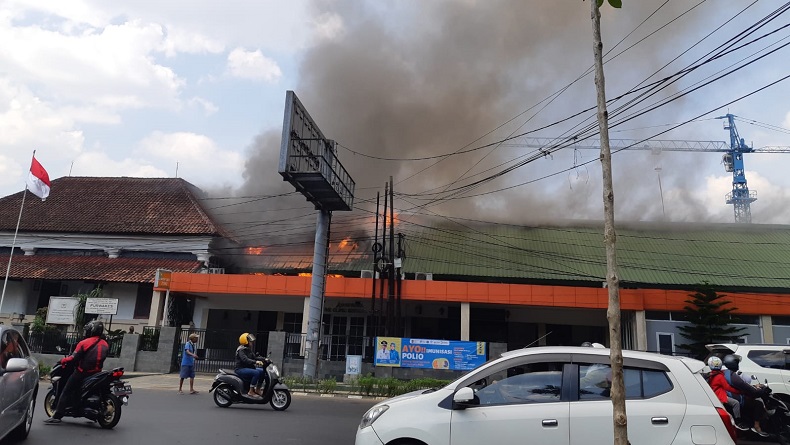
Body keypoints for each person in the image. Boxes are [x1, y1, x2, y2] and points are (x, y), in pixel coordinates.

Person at [44, 320, 109, 424]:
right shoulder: (105, 344)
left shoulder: (84, 343)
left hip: (83, 372)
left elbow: (73, 359)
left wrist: (62, 361)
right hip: (97, 373)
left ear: (91, 331)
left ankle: (57, 415)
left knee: (66, 390)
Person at [722, 354, 770, 437]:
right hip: (735, 397)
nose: (738, 365)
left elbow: (744, 386)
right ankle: (757, 426)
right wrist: (761, 390)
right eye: (737, 363)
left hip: (730, 395)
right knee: (758, 404)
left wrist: (755, 386)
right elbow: (750, 390)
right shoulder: (733, 376)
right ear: (734, 364)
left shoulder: (727, 373)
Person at [708, 356, 747, 431]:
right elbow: (727, 387)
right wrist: (739, 391)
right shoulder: (720, 376)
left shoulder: (710, 374)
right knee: (736, 403)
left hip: (714, 395)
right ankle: (738, 422)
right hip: (720, 396)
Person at [235, 332, 265, 398]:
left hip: (247, 368)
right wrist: (256, 362)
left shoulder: (248, 349)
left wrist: (264, 359)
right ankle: (251, 391)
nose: (252, 342)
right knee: (256, 373)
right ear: (245, 341)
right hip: (240, 369)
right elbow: (245, 360)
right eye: (250, 341)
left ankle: (257, 389)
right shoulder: (241, 350)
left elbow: (255, 357)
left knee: (262, 371)